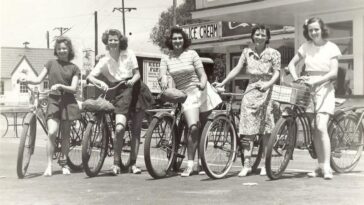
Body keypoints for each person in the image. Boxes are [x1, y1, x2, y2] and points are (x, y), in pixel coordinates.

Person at [214, 24, 281, 177]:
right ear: (252, 36)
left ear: (267, 37)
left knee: (266, 130)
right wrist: (223, 82)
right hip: (251, 91)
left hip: (268, 90)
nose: (259, 37)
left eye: (263, 35)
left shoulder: (274, 53)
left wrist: (268, 84)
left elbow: (277, 73)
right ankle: (247, 164)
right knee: (247, 130)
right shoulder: (247, 52)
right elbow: (237, 69)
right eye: (257, 34)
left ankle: (265, 164)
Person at [87, 29, 154, 175]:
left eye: (115, 39)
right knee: (119, 128)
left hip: (135, 90)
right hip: (119, 93)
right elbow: (90, 77)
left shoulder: (129, 53)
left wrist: (131, 81)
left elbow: (137, 74)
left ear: (120, 40)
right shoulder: (104, 59)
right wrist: (100, 83)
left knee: (136, 130)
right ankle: (116, 163)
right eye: (110, 40)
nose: (113, 42)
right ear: (106, 41)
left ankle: (133, 163)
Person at [159, 26, 222, 177]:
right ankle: (190, 164)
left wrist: (202, 83)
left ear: (184, 40)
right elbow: (162, 74)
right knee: (193, 127)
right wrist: (163, 81)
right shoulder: (166, 57)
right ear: (170, 41)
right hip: (185, 95)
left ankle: (200, 163)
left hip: (201, 90)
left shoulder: (192, 54)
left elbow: (202, 74)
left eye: (180, 38)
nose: (177, 41)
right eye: (174, 39)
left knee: (202, 130)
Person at [19, 36, 81, 176]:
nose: (61, 51)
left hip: (68, 101)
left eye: (64, 48)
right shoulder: (50, 63)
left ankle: (64, 163)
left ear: (69, 50)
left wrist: (60, 86)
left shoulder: (74, 68)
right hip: (53, 101)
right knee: (52, 132)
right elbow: (38, 79)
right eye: (59, 49)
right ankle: (49, 165)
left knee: (65, 134)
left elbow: (74, 88)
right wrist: (27, 79)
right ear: (56, 50)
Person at [288, 17, 341, 180]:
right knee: (313, 128)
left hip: (324, 87)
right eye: (310, 30)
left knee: (321, 126)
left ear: (322, 29)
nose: (313, 33)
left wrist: (316, 82)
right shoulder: (305, 46)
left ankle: (327, 167)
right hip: (307, 88)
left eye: (316, 29)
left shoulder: (331, 47)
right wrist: (296, 77)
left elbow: (333, 73)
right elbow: (291, 64)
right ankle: (320, 165)